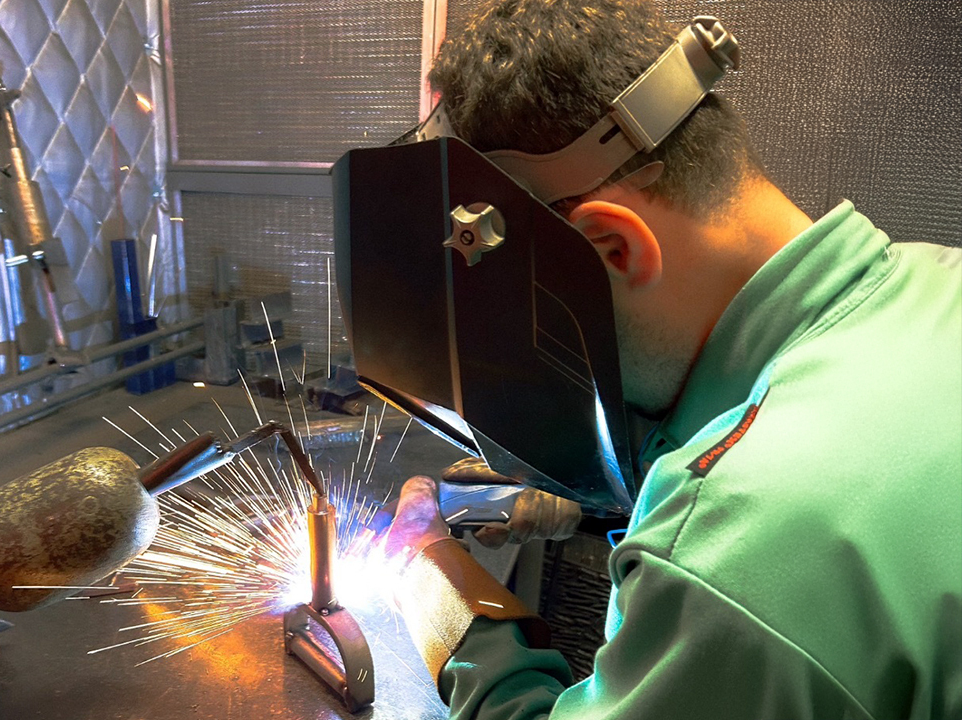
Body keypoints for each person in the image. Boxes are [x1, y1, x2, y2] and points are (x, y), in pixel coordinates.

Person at [378, 1, 962, 718]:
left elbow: (749, 543)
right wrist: (598, 507)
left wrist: (441, 600)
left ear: (611, 250)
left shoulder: (733, 550)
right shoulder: (934, 278)